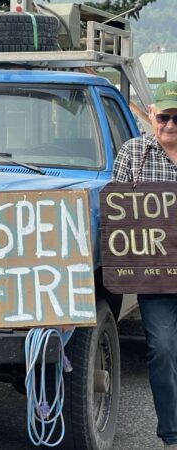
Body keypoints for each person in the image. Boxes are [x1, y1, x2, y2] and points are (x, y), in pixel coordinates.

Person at [113, 81, 177, 450]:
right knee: (164, 348)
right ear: (152, 115)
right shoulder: (133, 154)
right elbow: (116, 214)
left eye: (176, 119)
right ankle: (171, 433)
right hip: (156, 276)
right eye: (163, 117)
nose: (169, 126)